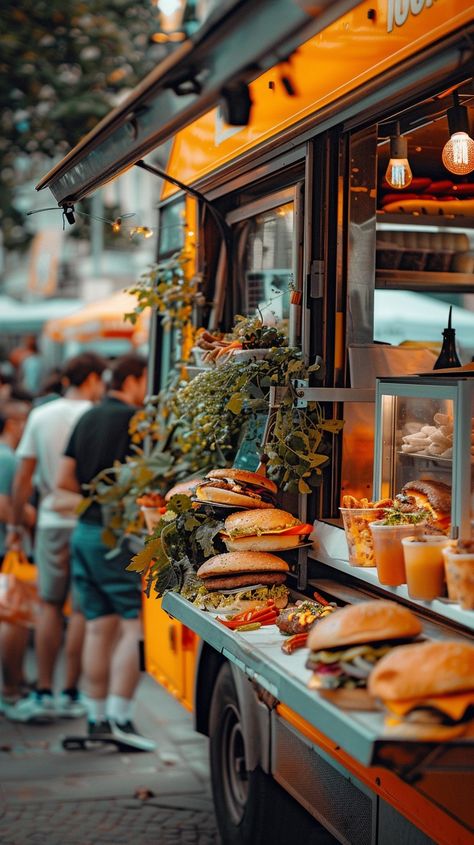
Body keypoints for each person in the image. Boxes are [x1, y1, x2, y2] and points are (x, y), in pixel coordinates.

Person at [56, 353, 155, 751]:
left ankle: (95, 718)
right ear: (132, 380)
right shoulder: (137, 421)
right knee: (133, 626)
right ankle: (120, 716)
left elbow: (64, 479)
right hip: (118, 538)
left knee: (98, 626)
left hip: (84, 532)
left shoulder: (87, 417)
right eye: (146, 380)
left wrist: (94, 500)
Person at [5, 352, 106, 723]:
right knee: (80, 609)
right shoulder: (93, 416)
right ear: (93, 378)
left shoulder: (41, 415)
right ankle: (70, 692)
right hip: (88, 520)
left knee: (49, 604)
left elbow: (22, 479)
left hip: (49, 519)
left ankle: (44, 690)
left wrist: (16, 526)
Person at [0, 400, 35, 710]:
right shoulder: (7, 458)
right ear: (12, 424)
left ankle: (16, 682)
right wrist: (31, 516)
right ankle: (11, 688)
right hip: (6, 550)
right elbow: (4, 503)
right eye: (25, 422)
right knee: (14, 617)